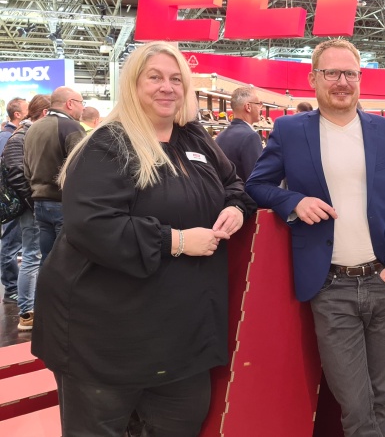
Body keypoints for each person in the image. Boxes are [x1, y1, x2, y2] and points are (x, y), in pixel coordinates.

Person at [30, 41, 256, 436]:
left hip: (182, 340)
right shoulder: (107, 144)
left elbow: (234, 183)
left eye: (175, 79)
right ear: (133, 85)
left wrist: (235, 208)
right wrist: (177, 241)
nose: (166, 87)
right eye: (154, 77)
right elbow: (92, 225)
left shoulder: (195, 140)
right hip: (105, 337)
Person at [246, 38, 385, 437]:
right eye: (331, 73)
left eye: (349, 73)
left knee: (380, 394)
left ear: (360, 78)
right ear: (314, 78)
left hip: (384, 281)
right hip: (330, 286)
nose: (341, 81)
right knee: (355, 404)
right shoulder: (291, 130)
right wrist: (293, 201)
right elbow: (257, 184)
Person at [2, 94, 50, 330]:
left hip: (30, 204)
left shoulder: (23, 133)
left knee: (34, 256)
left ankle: (30, 308)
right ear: (44, 113)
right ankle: (27, 313)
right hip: (30, 206)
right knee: (32, 256)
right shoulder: (23, 135)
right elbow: (15, 172)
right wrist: (33, 202)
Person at [23, 87, 86, 263]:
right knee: (68, 262)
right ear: (70, 103)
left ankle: (44, 292)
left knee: (47, 260)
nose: (83, 108)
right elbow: (81, 169)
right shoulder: (71, 127)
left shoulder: (33, 128)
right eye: (81, 103)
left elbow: (26, 169)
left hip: (40, 204)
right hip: (63, 204)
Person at [0, 97, 28, 305]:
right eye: (28, 110)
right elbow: (11, 171)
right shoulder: (7, 137)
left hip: (14, 200)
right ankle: (11, 288)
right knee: (10, 244)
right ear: (17, 114)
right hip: (12, 201)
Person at [215, 86, 264, 181]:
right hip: (243, 194)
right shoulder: (250, 137)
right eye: (259, 104)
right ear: (248, 107)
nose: (260, 108)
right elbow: (257, 181)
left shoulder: (221, 136)